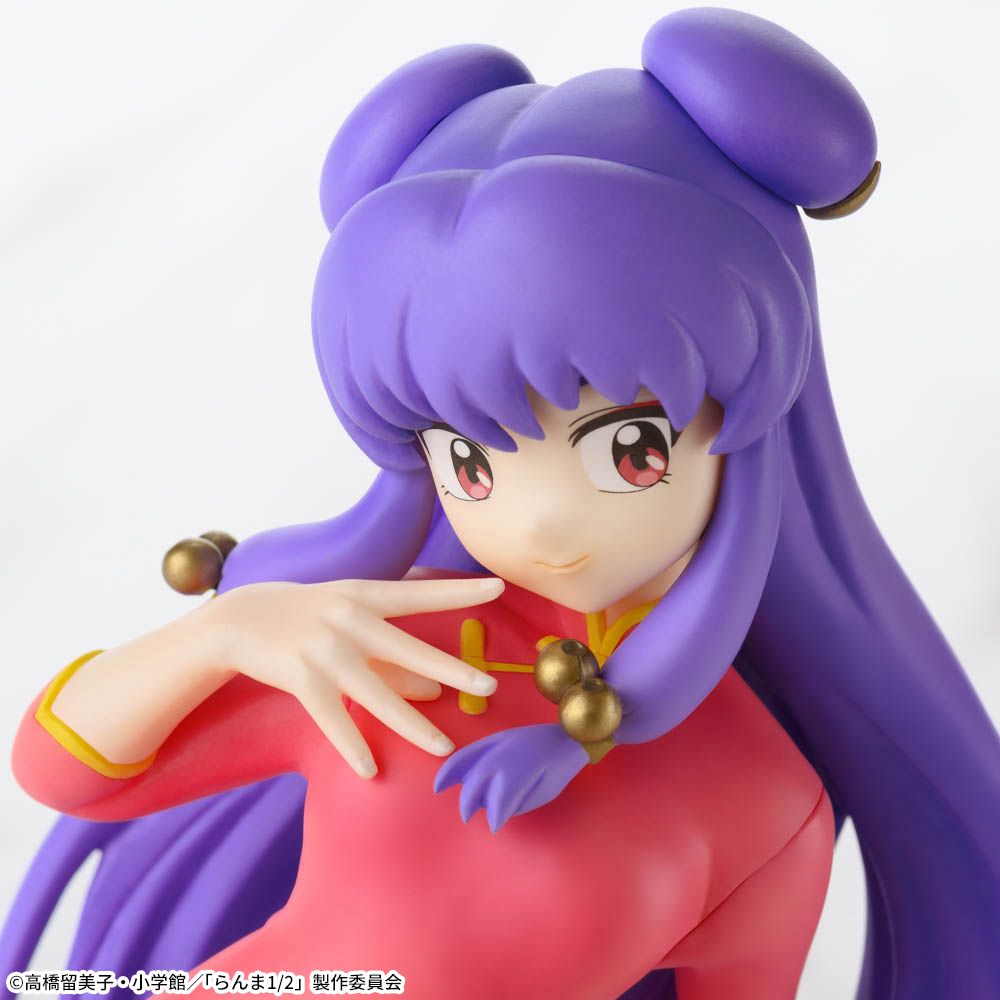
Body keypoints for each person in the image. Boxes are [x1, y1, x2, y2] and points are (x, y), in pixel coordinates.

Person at [4, 9, 999, 1000]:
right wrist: (223, 633)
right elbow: (62, 769)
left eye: (628, 447)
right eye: (467, 458)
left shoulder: (765, 798)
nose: (538, 521)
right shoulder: (385, 652)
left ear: (751, 415)